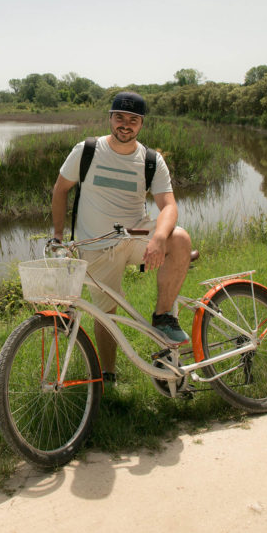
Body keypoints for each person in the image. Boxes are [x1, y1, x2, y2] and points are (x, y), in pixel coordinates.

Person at [51, 91, 192, 385]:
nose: (125, 125)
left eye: (133, 120)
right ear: (111, 119)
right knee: (106, 315)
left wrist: (160, 238)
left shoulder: (151, 160)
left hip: (137, 237)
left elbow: (169, 205)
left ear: (141, 124)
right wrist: (58, 237)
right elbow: (60, 189)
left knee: (179, 238)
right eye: (120, 118)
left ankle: (164, 316)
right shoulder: (87, 150)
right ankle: (108, 376)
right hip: (97, 246)